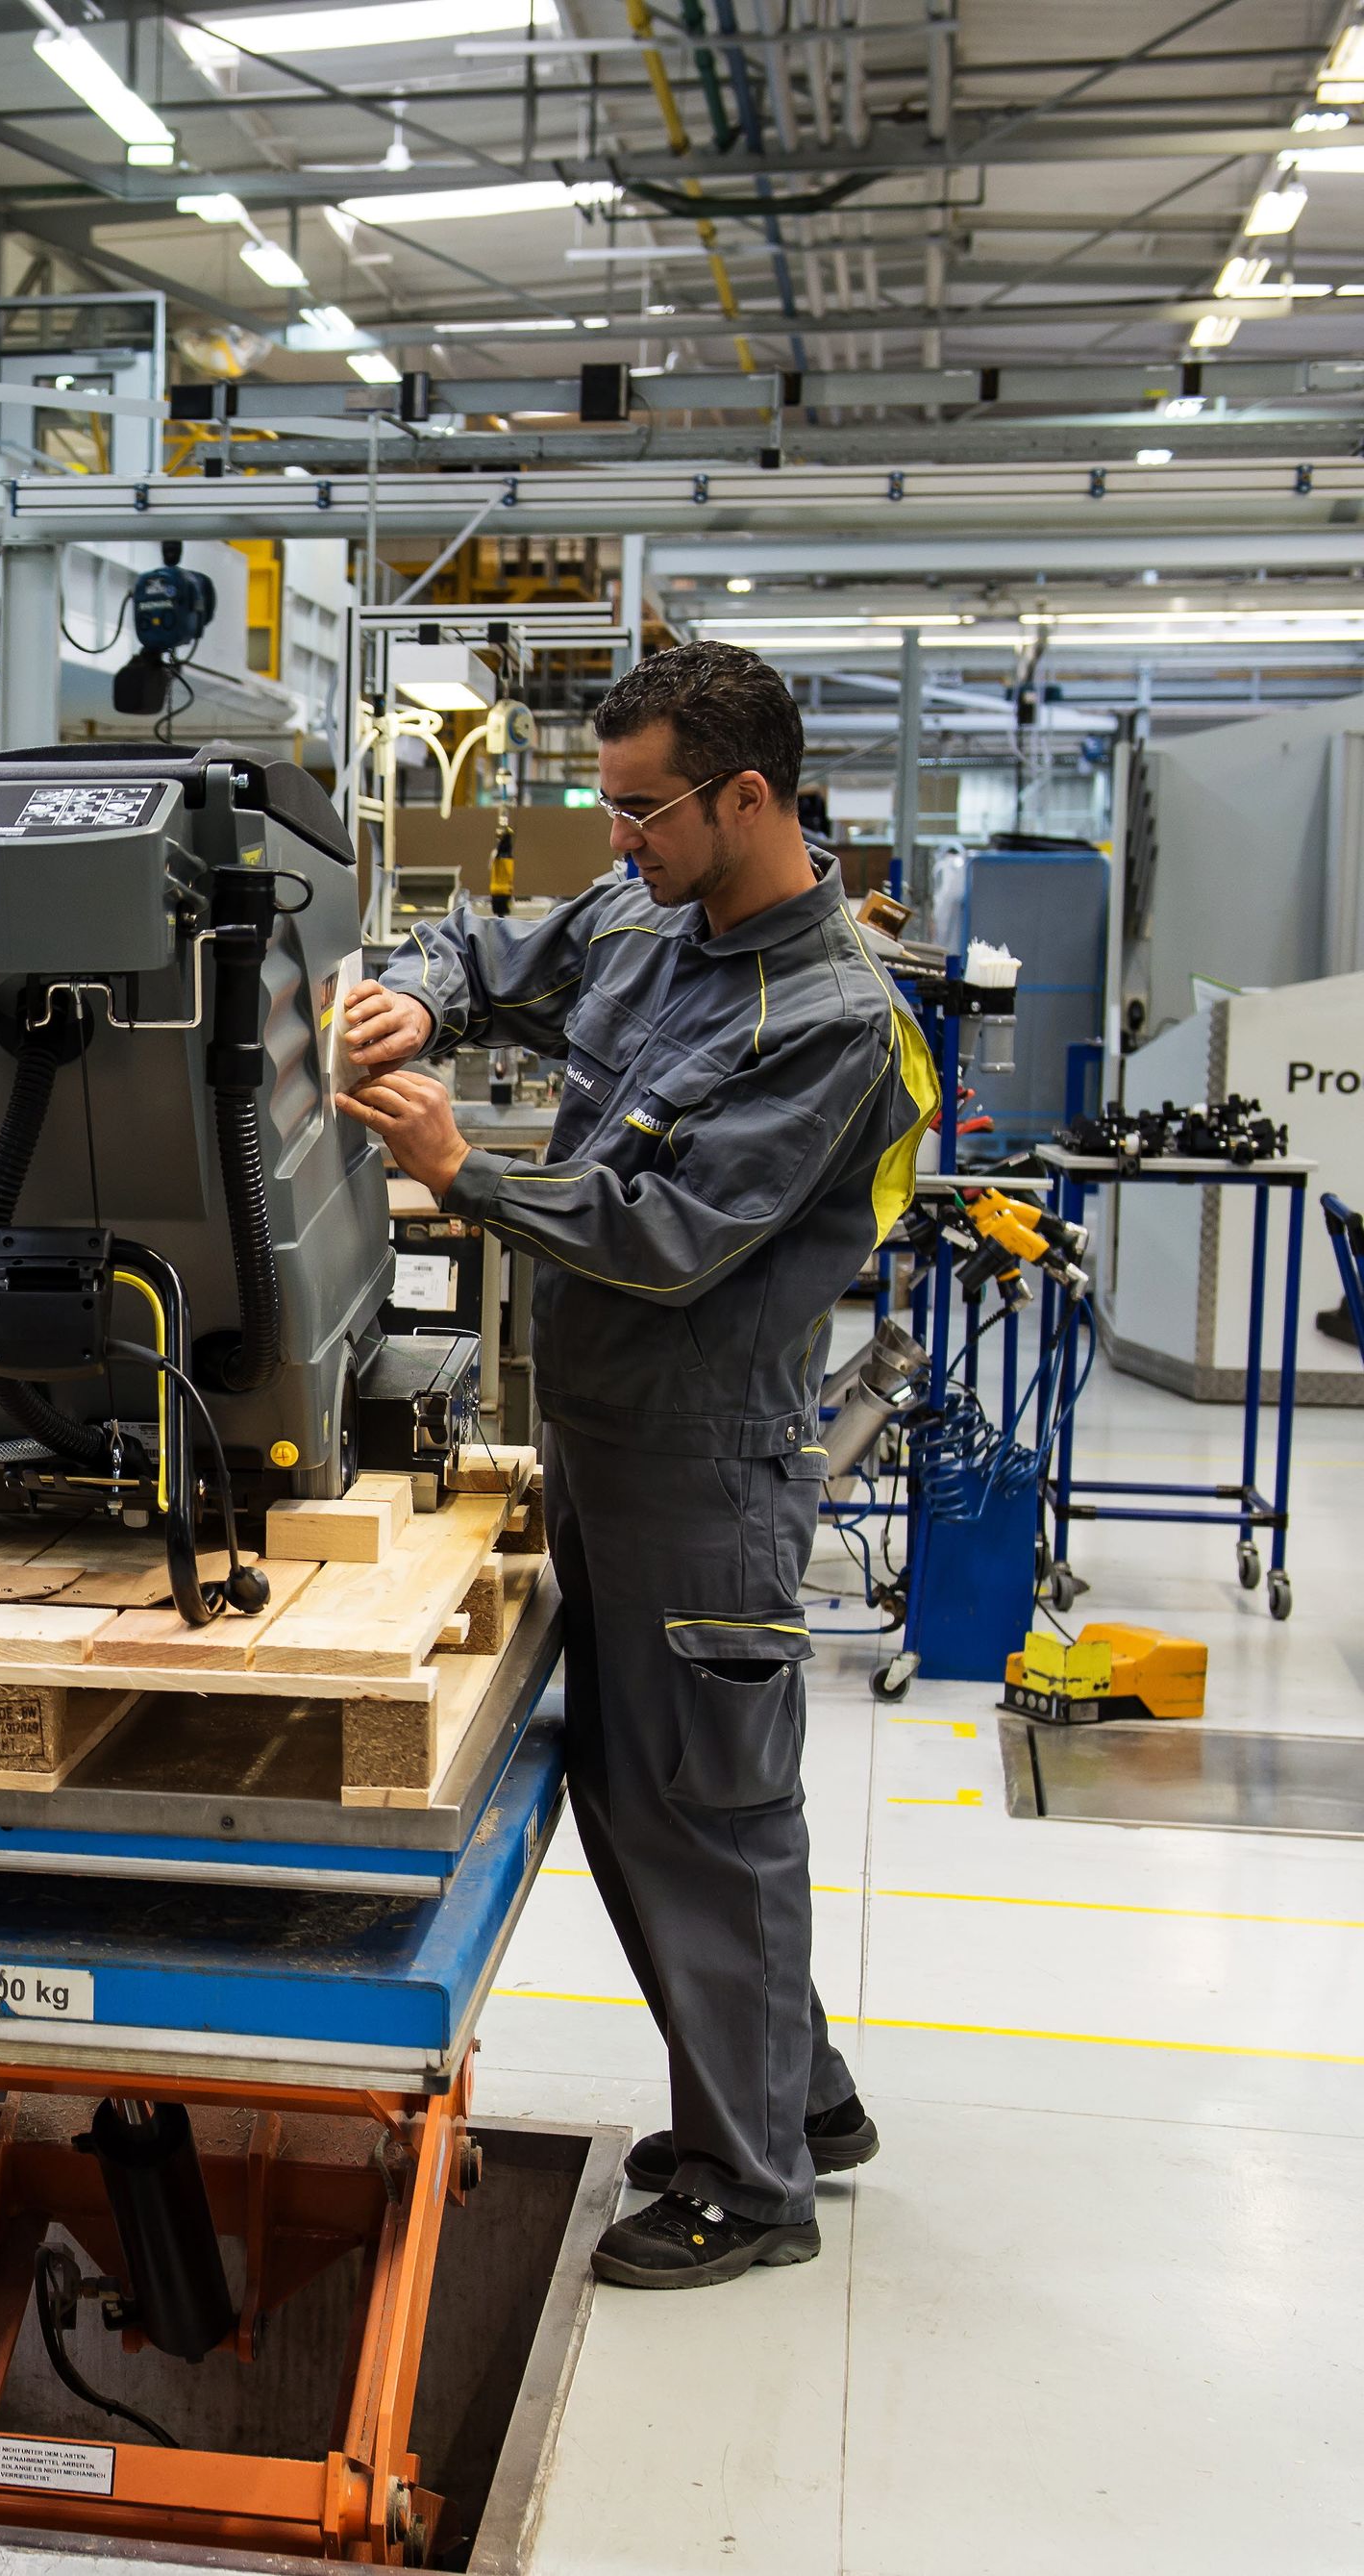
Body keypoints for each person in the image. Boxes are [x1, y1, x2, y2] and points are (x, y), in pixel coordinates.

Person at [335, 640, 932, 2292]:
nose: (619, 839)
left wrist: (466, 1171)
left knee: (705, 1807)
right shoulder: (647, 915)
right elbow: (491, 947)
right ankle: (797, 2099)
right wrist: (420, 995)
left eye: (643, 808)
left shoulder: (836, 1022)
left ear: (748, 795)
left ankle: (750, 2185)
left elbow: (668, 1236)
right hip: (608, 1433)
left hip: (704, 1458)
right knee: (651, 1795)